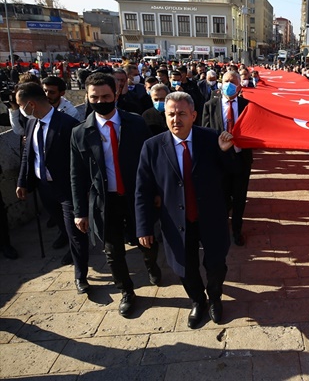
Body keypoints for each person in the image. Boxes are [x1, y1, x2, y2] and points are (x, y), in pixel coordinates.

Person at [135, 91, 236, 328]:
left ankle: (214, 298)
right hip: (175, 220)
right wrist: (144, 226)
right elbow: (142, 190)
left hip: (210, 216)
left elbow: (233, 172)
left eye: (181, 114)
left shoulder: (212, 138)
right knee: (184, 265)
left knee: (216, 263)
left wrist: (225, 151)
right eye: (170, 114)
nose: (175, 119)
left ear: (194, 115)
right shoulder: (152, 147)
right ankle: (197, 301)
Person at [70, 72, 161, 317]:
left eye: (106, 96)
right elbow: (77, 175)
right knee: (112, 251)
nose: (101, 102)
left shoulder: (136, 123)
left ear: (116, 94)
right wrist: (80, 211)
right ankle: (127, 292)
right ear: (87, 98)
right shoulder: (79, 133)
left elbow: (150, 161)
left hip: (135, 196)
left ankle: (152, 265)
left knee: (147, 240)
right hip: (104, 201)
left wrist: (155, 192)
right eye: (94, 97)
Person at [15, 82, 91, 293]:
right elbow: (28, 155)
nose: (20, 109)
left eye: (21, 105)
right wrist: (22, 181)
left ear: (30, 104)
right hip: (43, 187)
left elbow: (80, 161)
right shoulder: (31, 123)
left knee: (77, 233)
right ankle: (67, 242)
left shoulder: (67, 124)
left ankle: (80, 275)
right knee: (61, 225)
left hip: (67, 188)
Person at [201, 71, 252, 246]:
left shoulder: (247, 105)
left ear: (239, 86)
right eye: (225, 81)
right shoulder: (210, 105)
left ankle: (237, 230)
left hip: (241, 159)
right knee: (221, 198)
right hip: (219, 161)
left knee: (239, 198)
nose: (228, 84)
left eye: (232, 81)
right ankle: (221, 228)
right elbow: (205, 132)